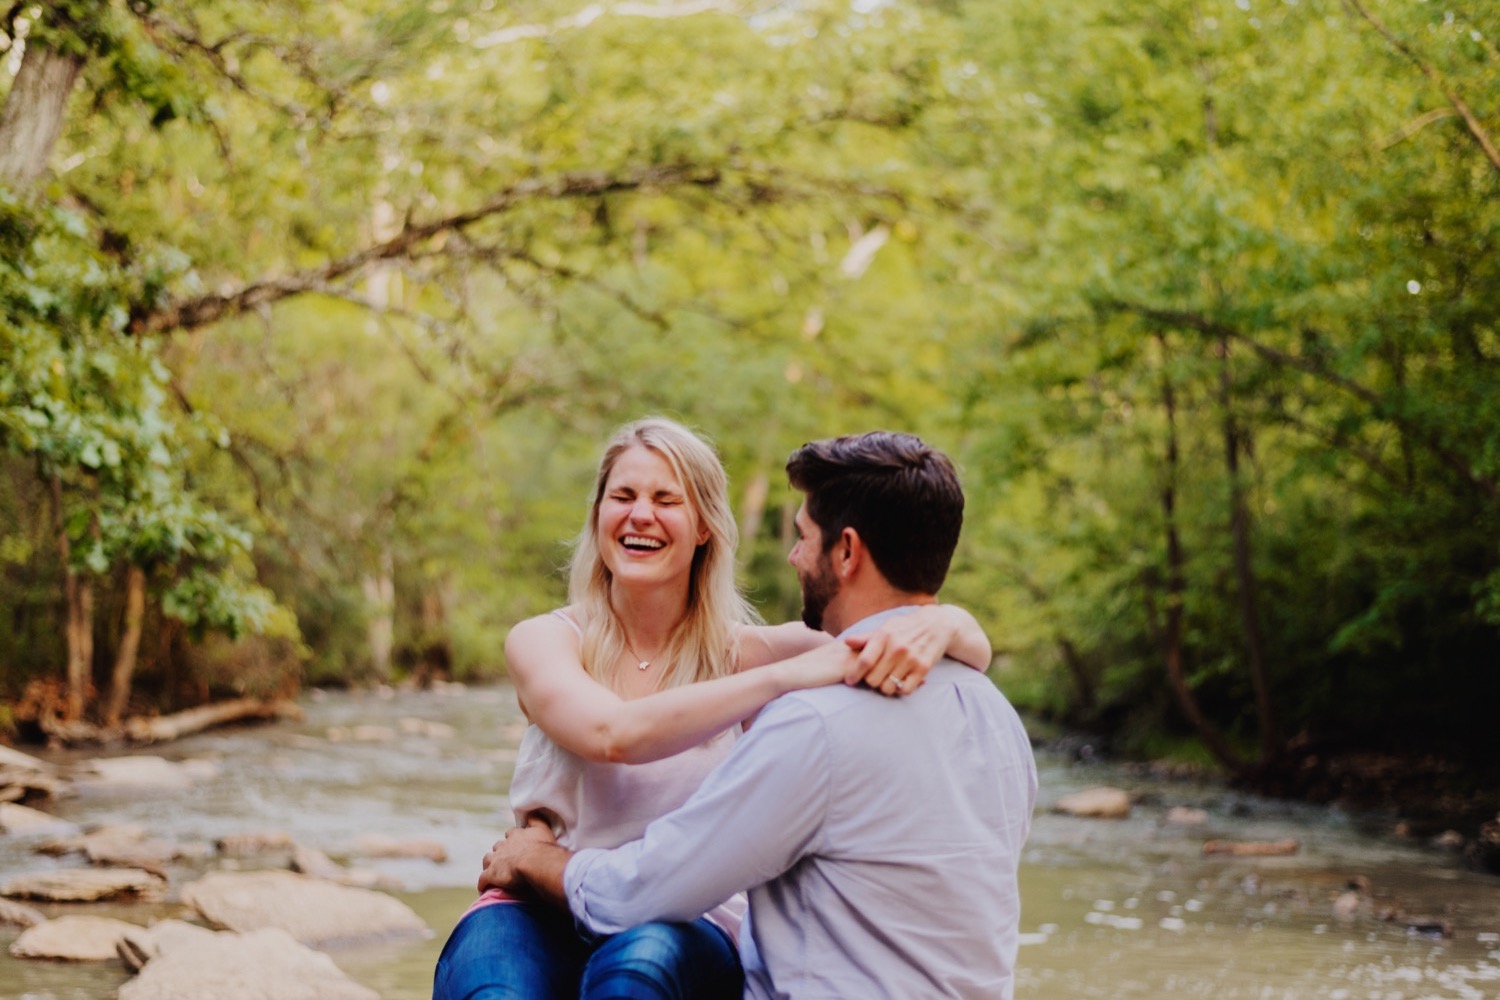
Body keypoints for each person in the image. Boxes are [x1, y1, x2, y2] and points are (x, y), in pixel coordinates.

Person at [433, 419, 994, 1000]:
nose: (639, 515)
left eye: (665, 499)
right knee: (493, 991)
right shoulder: (545, 640)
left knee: (637, 975)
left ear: (703, 525)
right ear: (598, 514)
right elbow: (611, 734)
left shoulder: (751, 651)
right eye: (622, 497)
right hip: (534, 898)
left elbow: (955, 649)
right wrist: (782, 677)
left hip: (682, 922)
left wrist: (951, 620)